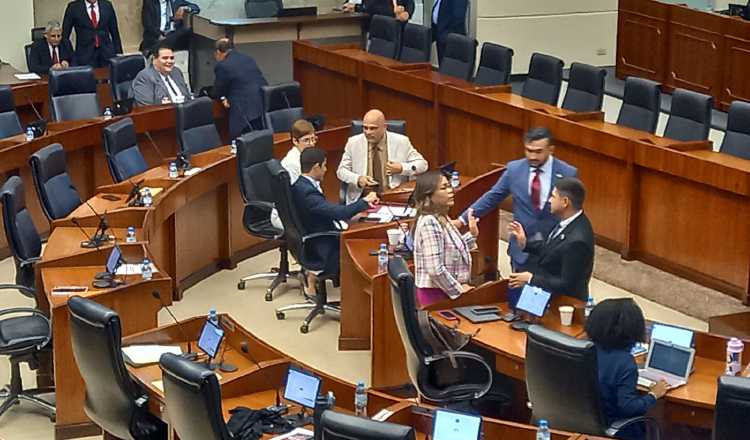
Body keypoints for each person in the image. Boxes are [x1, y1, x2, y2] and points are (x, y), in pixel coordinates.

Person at [457, 127, 577, 274]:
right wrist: (462, 219)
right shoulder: (514, 169)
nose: (532, 156)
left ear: (551, 149)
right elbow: (492, 197)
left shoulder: (567, 173)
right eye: (528, 150)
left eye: (538, 151)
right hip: (521, 250)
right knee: (518, 294)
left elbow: (573, 211)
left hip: (553, 249)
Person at [292, 147, 379, 293]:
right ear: (316, 167)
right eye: (324, 165)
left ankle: (312, 276)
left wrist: (352, 216)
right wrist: (364, 201)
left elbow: (324, 211)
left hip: (317, 235)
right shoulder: (307, 193)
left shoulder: (300, 185)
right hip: (321, 245)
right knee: (364, 249)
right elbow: (338, 212)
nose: (326, 169)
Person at [585, 298, 669, 440]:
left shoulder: (584, 348)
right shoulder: (625, 363)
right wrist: (653, 394)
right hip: (612, 428)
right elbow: (628, 407)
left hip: (579, 424)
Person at [507, 177, 594, 300]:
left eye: (553, 196)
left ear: (565, 202)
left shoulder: (578, 241)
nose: (549, 201)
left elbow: (568, 285)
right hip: (545, 296)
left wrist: (531, 279)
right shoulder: (567, 221)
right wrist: (525, 243)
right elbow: (553, 249)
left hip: (563, 305)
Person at [412, 170, 479, 307]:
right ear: (428, 196)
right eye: (444, 188)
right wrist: (459, 291)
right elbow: (434, 269)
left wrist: (472, 235)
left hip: (444, 292)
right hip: (436, 295)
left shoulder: (441, 216)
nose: (451, 191)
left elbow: (450, 247)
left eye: (449, 186)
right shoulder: (429, 222)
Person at [337, 109, 428, 204]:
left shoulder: (401, 142)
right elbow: (341, 171)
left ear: (384, 127)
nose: (367, 132)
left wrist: (402, 168)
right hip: (363, 199)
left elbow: (423, 165)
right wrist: (358, 179)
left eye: (373, 128)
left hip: (393, 198)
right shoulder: (353, 143)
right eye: (365, 128)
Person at [213, 38, 268, 139]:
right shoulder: (247, 58)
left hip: (244, 112)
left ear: (218, 52)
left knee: (242, 144)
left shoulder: (222, 66)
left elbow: (218, 91)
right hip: (262, 104)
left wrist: (222, 97)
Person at [62, 0, 123, 67]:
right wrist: (68, 57)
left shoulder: (107, 5)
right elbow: (65, 35)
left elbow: (115, 32)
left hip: (107, 55)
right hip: (84, 57)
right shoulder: (74, 7)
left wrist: (119, 54)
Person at [132, 42, 190, 106]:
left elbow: (188, 96)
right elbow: (147, 108)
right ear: (154, 59)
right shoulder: (145, 77)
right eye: (165, 58)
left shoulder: (176, 71)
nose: (169, 61)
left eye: (172, 58)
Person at [281, 119, 317, 185]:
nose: (312, 143)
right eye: (306, 140)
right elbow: (298, 192)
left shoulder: (309, 156)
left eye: (313, 139)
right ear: (295, 141)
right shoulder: (291, 164)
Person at [342, 0, 415, 25]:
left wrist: (408, 13)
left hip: (400, 27)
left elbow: (410, 2)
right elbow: (371, 8)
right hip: (379, 28)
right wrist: (356, 7)